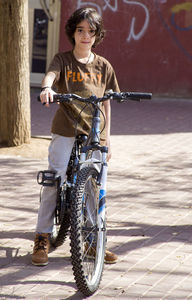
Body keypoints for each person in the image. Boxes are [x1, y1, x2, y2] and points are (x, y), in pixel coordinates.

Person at [32, 7, 120, 266]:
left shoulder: (103, 66)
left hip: (95, 133)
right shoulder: (63, 59)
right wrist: (47, 87)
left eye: (90, 31)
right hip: (65, 129)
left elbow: (107, 103)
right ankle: (42, 238)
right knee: (53, 179)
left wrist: (108, 139)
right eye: (80, 30)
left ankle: (94, 241)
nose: (85, 35)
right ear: (73, 32)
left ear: (97, 35)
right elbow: (50, 75)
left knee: (94, 186)